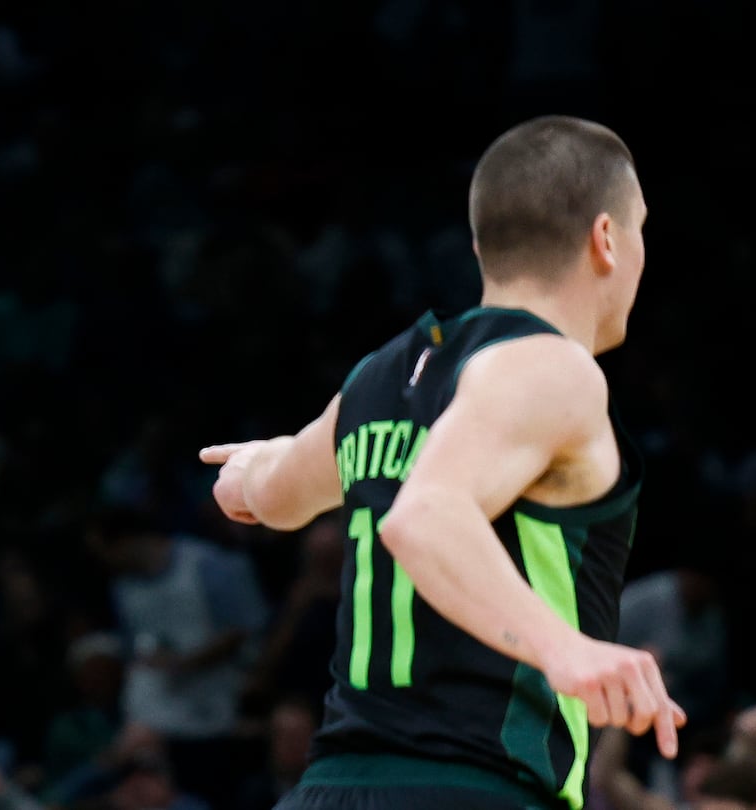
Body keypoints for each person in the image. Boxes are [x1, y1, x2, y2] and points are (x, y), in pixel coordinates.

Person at [198, 115, 686, 810]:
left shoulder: (383, 374)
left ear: (485, 245)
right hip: (475, 787)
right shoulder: (554, 367)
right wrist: (563, 649)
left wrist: (259, 464)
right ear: (607, 238)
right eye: (640, 227)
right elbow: (423, 518)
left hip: (328, 792)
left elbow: (260, 498)